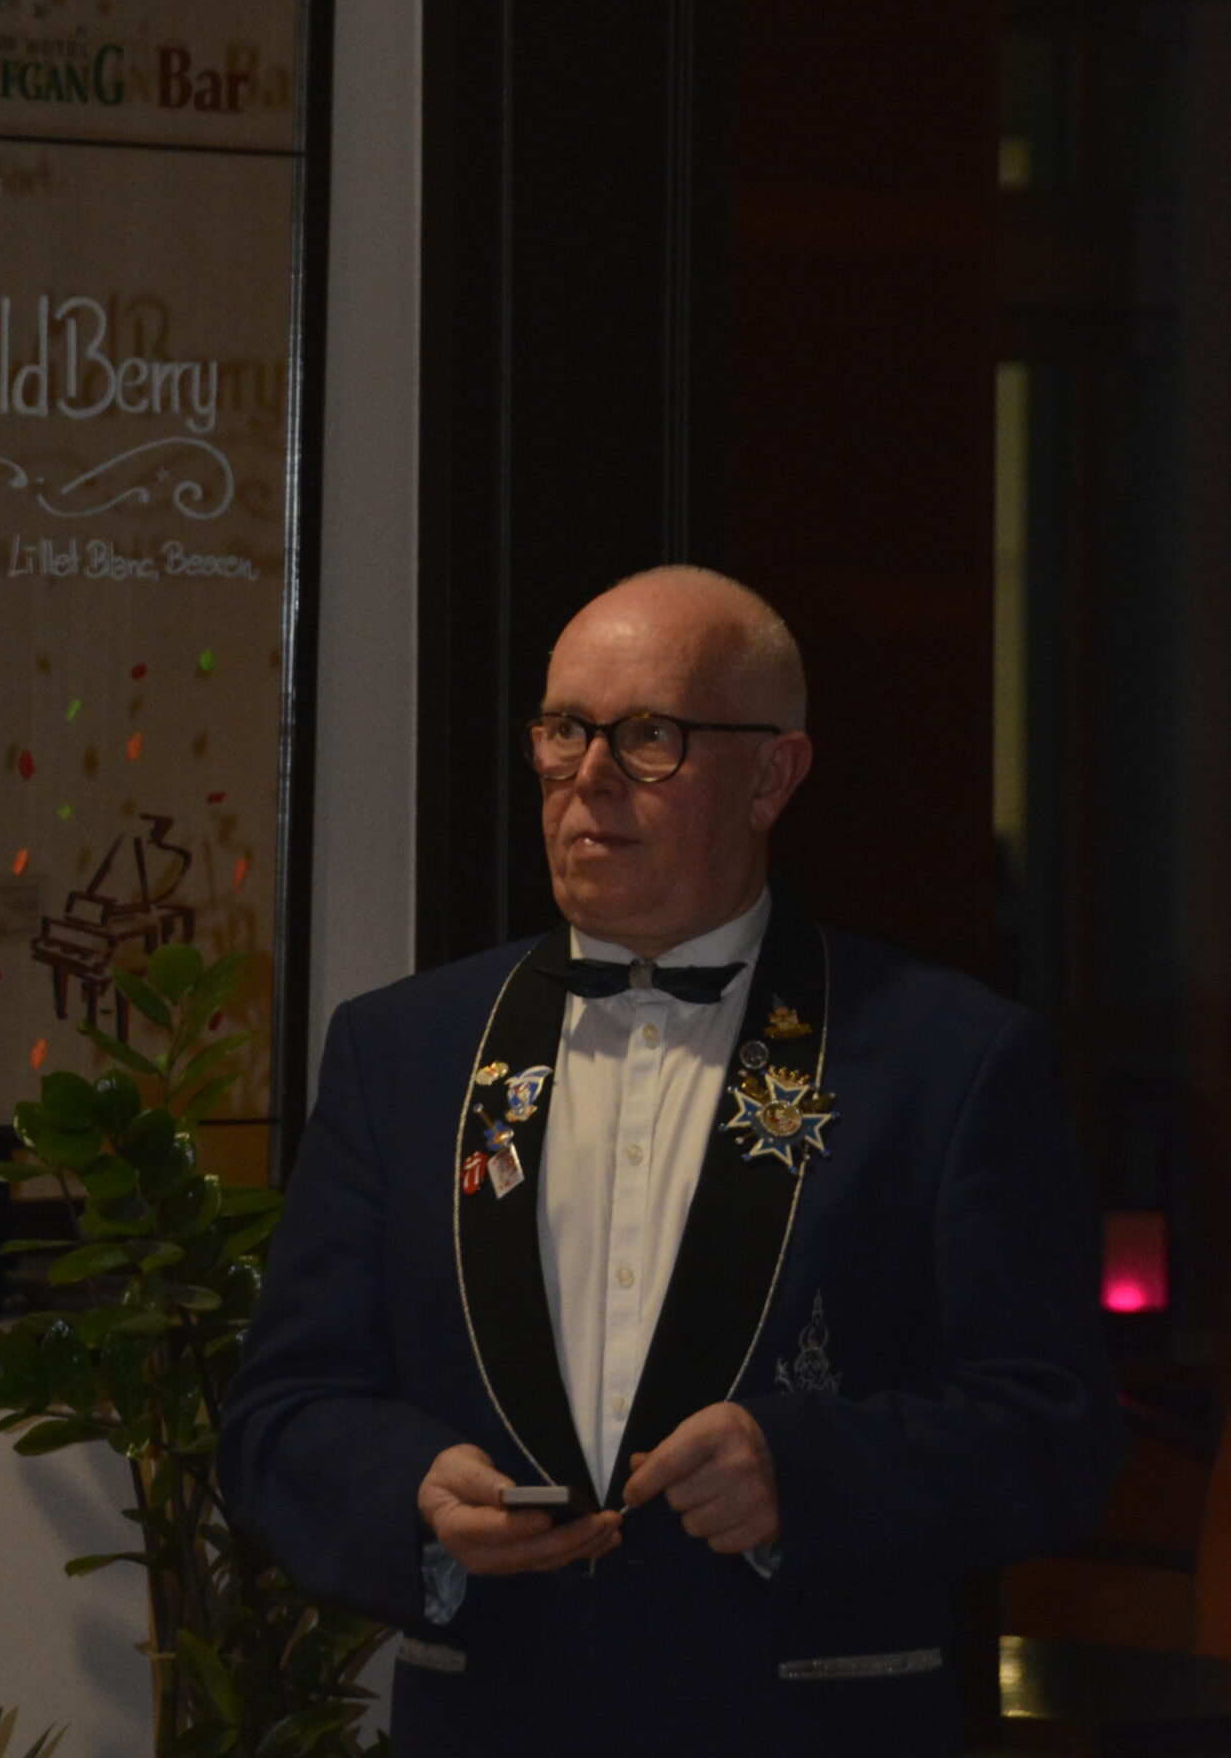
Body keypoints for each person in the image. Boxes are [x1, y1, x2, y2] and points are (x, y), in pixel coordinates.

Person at [220, 566, 1123, 1757]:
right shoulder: (402, 1053)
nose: (589, 776)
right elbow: (282, 1414)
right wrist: (415, 1490)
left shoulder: (947, 1058)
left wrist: (805, 1472)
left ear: (773, 775)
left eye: (650, 736)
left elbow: (1053, 1431)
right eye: (564, 730)